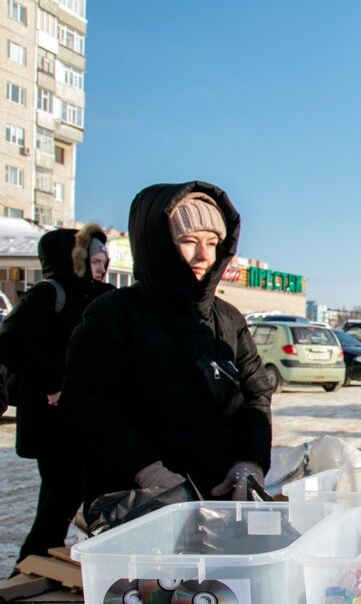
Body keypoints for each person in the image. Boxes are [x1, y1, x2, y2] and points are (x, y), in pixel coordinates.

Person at [63, 182, 274, 504]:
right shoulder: (114, 313)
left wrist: (250, 460)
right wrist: (148, 472)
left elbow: (256, 396)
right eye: (189, 241)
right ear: (158, 243)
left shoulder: (228, 318)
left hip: (218, 497)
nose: (204, 255)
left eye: (213, 242)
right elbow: (87, 404)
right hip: (138, 501)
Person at [0, 224, 112, 563]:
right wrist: (54, 383)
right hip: (54, 426)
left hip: (85, 422)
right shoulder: (50, 293)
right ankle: (28, 572)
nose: (102, 268)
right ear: (75, 260)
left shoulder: (99, 296)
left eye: (104, 261)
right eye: (95, 261)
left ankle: (43, 569)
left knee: (77, 503)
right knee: (57, 506)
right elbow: (10, 341)